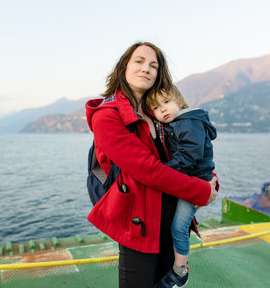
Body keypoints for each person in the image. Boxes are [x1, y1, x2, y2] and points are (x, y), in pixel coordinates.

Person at [85, 41, 218, 288]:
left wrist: (211, 180)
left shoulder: (159, 112)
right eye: (139, 61)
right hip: (140, 222)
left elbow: (192, 149)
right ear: (124, 66)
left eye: (153, 65)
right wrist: (202, 191)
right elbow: (147, 170)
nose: (146, 68)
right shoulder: (107, 116)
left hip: (170, 214)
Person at [145, 85, 217, 287]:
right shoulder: (180, 123)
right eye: (157, 108)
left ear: (180, 102)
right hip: (188, 179)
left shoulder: (189, 123)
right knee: (175, 225)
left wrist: (162, 171)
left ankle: (180, 272)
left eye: (166, 103)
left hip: (194, 182)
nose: (163, 110)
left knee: (179, 227)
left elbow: (189, 155)